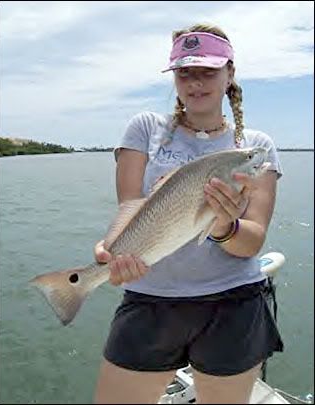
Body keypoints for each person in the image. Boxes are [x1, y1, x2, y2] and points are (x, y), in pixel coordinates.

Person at [93, 23, 284, 404]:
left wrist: (224, 225)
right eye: (186, 72)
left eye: (208, 71)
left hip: (233, 304)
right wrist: (111, 250)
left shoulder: (256, 148)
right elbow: (130, 207)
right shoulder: (145, 128)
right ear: (175, 78)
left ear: (230, 74)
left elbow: (252, 243)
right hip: (149, 298)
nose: (196, 83)